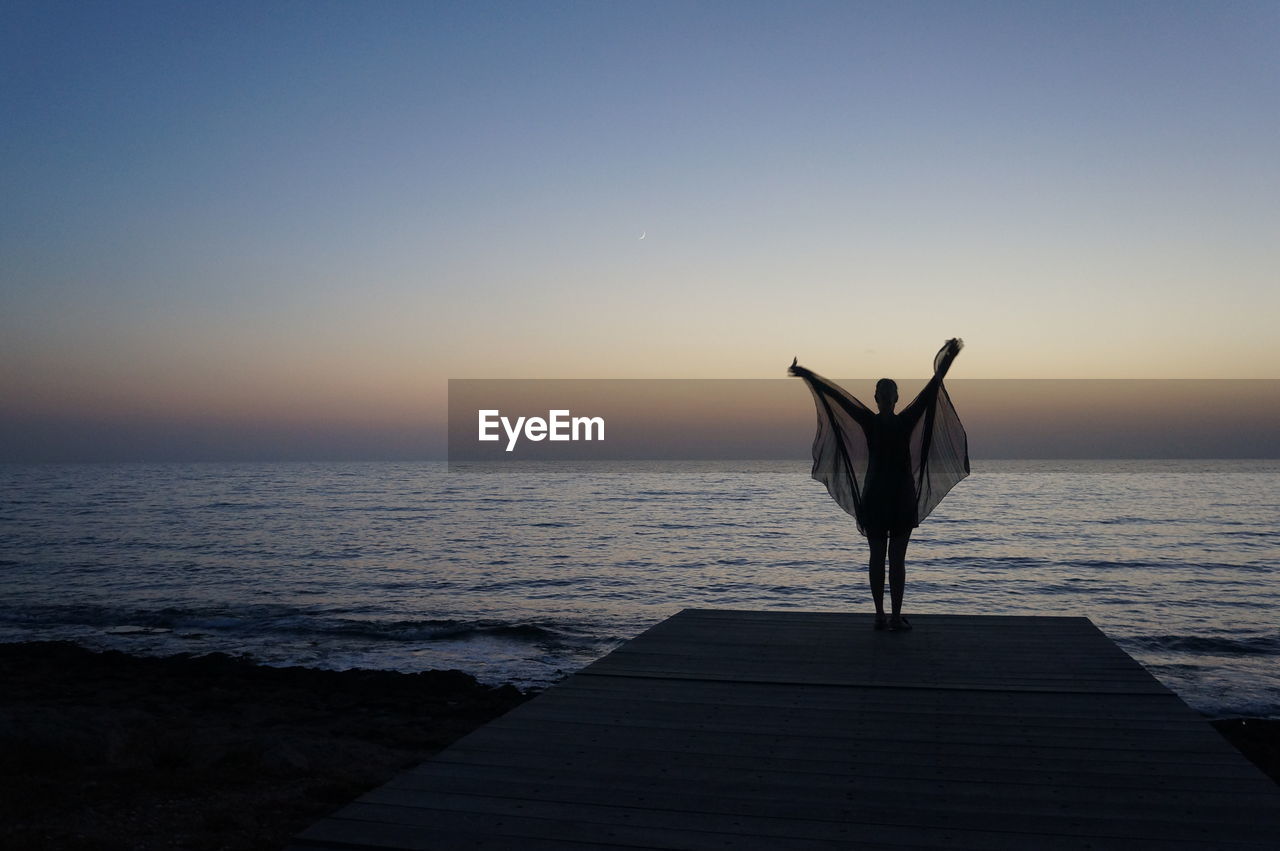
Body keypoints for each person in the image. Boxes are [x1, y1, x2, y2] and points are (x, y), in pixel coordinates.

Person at [789, 339, 968, 631]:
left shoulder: (870, 421)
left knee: (877, 557)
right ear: (895, 399)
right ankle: (895, 617)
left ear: (877, 398)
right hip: (899, 499)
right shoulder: (904, 419)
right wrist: (949, 357)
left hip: (875, 498)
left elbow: (835, 395)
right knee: (896, 560)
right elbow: (934, 385)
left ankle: (880, 616)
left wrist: (807, 374)